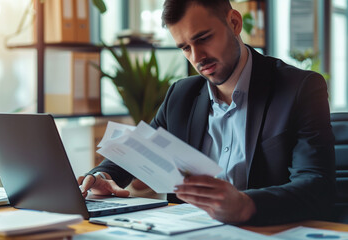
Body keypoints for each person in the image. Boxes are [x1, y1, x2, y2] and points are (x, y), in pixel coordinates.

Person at [77, 0, 335, 226]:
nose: (197, 57)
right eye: (185, 48)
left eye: (203, 39)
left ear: (234, 23)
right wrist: (102, 176)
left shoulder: (299, 88)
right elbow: (138, 149)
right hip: (187, 230)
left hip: (263, 230)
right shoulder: (181, 94)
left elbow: (317, 186)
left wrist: (246, 204)